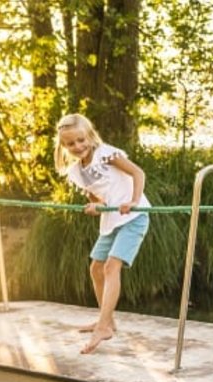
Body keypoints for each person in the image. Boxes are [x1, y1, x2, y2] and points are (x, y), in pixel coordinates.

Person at [55, 113, 151, 354]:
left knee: (111, 267)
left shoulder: (106, 154)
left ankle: (102, 327)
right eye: (70, 143)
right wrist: (95, 206)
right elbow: (97, 197)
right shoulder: (77, 171)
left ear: (90, 136)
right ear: (64, 146)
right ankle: (107, 321)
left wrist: (134, 200)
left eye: (81, 140)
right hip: (111, 220)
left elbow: (138, 173)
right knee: (96, 268)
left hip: (134, 217)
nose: (78, 146)